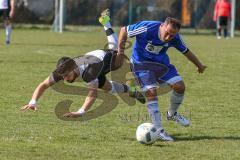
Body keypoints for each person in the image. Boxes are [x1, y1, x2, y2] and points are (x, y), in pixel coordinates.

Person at [21, 10, 145, 117]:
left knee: (117, 54)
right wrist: (33, 102)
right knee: (108, 88)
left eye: (66, 75)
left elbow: (92, 93)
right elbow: (43, 84)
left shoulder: (88, 71)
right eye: (63, 76)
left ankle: (106, 23)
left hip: (106, 60)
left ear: (74, 67)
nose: (64, 78)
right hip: (95, 61)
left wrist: (80, 112)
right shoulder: (62, 70)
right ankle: (132, 91)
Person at [117, 18, 207, 141]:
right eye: (167, 32)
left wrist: (199, 65)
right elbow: (124, 30)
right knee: (151, 92)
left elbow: (186, 52)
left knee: (180, 86)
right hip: (141, 65)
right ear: (162, 26)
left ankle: (172, 114)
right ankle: (158, 130)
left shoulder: (175, 37)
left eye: (172, 35)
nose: (168, 37)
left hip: (161, 65)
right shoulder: (147, 28)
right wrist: (120, 51)